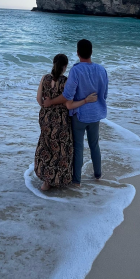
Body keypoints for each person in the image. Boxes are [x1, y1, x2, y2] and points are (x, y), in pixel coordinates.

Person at [43, 39, 108, 187]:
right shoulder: (102, 70)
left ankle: (77, 181)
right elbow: (104, 95)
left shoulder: (76, 70)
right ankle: (98, 175)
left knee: (78, 147)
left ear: (77, 53)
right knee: (94, 145)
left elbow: (67, 96)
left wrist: (51, 102)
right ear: (91, 52)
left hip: (79, 115)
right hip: (95, 114)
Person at [35, 54, 97, 191]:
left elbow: (39, 100)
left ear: (53, 64)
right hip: (61, 120)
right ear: (65, 67)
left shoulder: (44, 78)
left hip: (45, 118)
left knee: (47, 147)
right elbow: (70, 105)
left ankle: (46, 182)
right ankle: (58, 180)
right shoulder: (66, 82)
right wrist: (86, 100)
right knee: (61, 150)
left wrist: (47, 106)